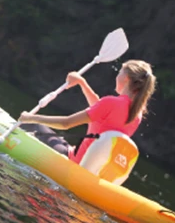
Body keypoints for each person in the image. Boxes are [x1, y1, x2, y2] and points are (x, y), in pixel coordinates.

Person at [18, 60, 156, 164]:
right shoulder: (137, 113)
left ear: (126, 78)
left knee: (35, 126)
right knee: (56, 139)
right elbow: (100, 110)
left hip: (74, 161)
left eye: (119, 72)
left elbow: (66, 123)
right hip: (90, 167)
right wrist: (82, 83)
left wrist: (31, 117)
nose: (117, 76)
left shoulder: (112, 102)